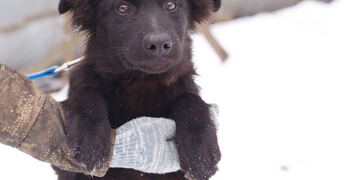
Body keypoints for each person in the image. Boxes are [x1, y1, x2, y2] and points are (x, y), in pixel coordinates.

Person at [0, 64, 218, 177]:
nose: (155, 34)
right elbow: (69, 168)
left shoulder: (183, 95)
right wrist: (85, 104)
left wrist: (192, 110)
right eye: (123, 8)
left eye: (171, 5)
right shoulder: (88, 90)